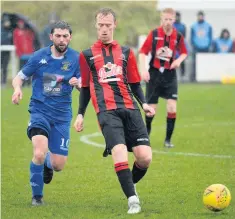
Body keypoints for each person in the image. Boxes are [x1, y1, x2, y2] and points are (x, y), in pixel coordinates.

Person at [73, 8, 155, 214]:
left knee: (144, 157)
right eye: (100, 25)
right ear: (96, 25)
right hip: (106, 111)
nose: (104, 29)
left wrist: (144, 103)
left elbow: (135, 83)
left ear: (114, 25)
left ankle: (129, 184)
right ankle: (132, 199)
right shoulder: (87, 55)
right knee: (119, 151)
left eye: (108, 25)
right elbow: (84, 88)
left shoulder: (127, 52)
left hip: (130, 108)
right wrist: (81, 113)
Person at [11, 21, 81, 206]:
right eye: (58, 35)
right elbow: (19, 77)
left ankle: (48, 165)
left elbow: (85, 86)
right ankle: (37, 197)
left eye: (65, 36)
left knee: (58, 165)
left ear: (70, 38)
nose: (62, 39)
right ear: (51, 37)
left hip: (62, 116)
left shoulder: (76, 58)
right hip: (39, 111)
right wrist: (17, 89)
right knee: (39, 152)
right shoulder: (39, 57)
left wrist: (79, 84)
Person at [139, 8, 188, 148]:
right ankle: (145, 137)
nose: (167, 22)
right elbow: (142, 52)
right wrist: (143, 70)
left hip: (169, 75)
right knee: (151, 110)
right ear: (161, 19)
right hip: (154, 75)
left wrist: (178, 61)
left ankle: (168, 140)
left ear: (174, 20)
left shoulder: (177, 36)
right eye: (165, 19)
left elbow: (184, 52)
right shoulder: (154, 34)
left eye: (170, 19)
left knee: (172, 107)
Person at [190, 11, 213, 81]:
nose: (200, 17)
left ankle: (206, 76)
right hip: (196, 48)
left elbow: (210, 37)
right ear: (197, 17)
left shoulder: (208, 26)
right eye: (199, 16)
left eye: (201, 16)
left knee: (206, 62)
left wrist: (208, 45)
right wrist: (194, 45)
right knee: (195, 63)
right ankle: (194, 77)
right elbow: (192, 38)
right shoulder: (193, 26)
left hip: (206, 47)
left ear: (203, 16)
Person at [13, 19, 35, 86]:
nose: (21, 24)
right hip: (22, 54)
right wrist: (18, 52)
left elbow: (32, 39)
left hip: (29, 53)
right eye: (19, 23)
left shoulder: (28, 31)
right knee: (21, 68)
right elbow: (16, 42)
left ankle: (28, 83)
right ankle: (22, 82)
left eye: (22, 23)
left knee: (29, 68)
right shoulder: (16, 31)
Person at [173, 11, 186, 79]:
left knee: (182, 60)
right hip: (173, 46)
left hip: (180, 46)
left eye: (178, 16)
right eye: (176, 16)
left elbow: (184, 36)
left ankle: (182, 75)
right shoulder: (172, 25)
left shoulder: (183, 26)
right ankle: (172, 75)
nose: (177, 18)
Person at [1, 15, 13, 86]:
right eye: (6, 22)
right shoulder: (1, 30)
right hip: (1, 51)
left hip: (7, 52)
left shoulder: (10, 30)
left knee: (5, 67)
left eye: (8, 22)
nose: (7, 23)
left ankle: (4, 82)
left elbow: (12, 41)